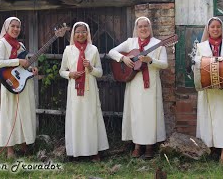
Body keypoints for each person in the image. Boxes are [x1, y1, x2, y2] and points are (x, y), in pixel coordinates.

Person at [108, 16, 168, 159]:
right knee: (136, 115)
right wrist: (123, 58)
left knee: (149, 114)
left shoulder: (158, 43)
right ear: (136, 28)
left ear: (150, 27)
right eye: (140, 26)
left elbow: (165, 64)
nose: (143, 29)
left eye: (146, 26)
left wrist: (151, 60)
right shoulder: (130, 42)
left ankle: (149, 147)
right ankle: (137, 146)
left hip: (151, 85)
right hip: (134, 83)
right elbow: (112, 52)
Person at [194, 17, 223, 164]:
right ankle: (210, 149)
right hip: (208, 90)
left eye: (218, 27)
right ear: (208, 29)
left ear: (222, 29)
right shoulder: (201, 47)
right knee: (208, 119)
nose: (215, 29)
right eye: (212, 27)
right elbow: (196, 67)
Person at [59, 22, 109, 161]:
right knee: (76, 119)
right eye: (77, 32)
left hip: (90, 90)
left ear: (88, 34)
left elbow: (100, 72)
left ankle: (94, 151)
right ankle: (76, 152)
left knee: (91, 118)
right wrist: (70, 74)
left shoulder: (93, 49)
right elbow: (61, 71)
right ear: (73, 34)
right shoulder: (68, 50)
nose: (80, 34)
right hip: (74, 91)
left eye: (83, 31)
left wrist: (91, 68)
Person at [0, 17, 38, 159]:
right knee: (9, 115)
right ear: (7, 27)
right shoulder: (1, 43)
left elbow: (25, 65)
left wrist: (32, 69)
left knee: (24, 114)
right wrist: (18, 60)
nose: (16, 29)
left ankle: (24, 146)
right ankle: (10, 150)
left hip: (23, 84)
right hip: (9, 83)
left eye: (18, 27)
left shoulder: (21, 46)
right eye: (13, 26)